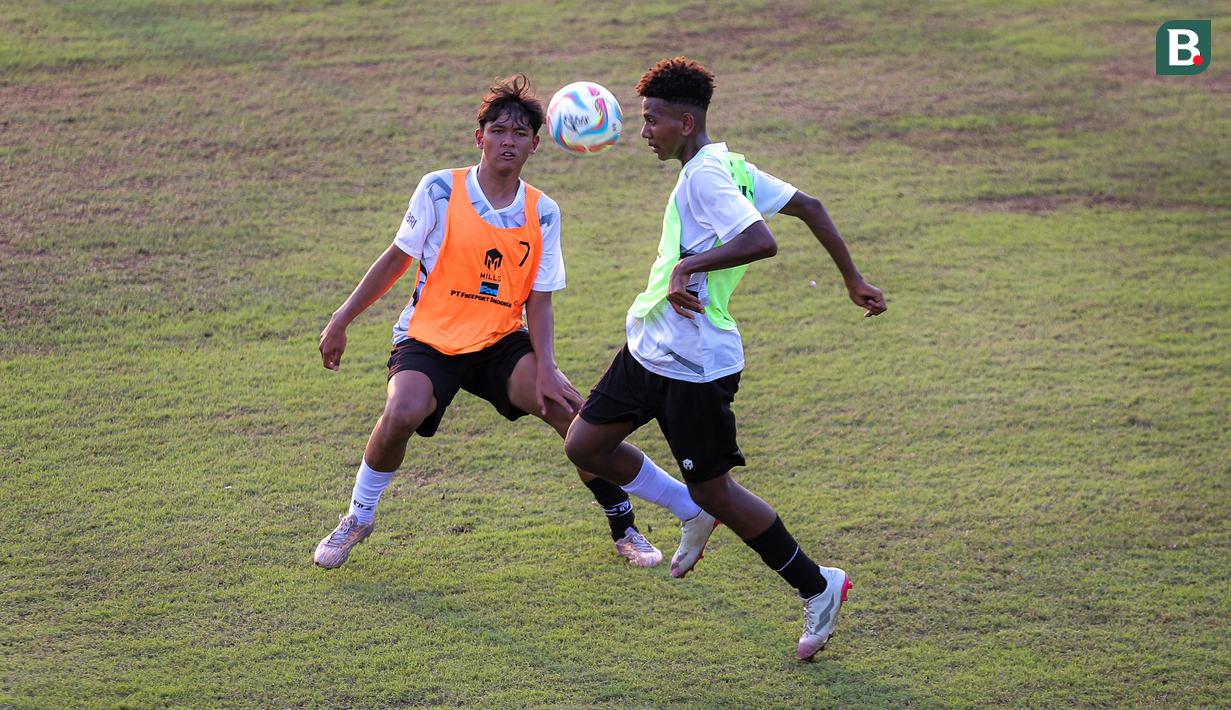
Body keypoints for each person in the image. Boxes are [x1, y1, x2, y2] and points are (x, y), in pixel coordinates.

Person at [564, 57, 887, 660]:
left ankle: (818, 586)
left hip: (696, 365)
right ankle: (690, 511)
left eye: (652, 120)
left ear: (684, 122)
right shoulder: (725, 165)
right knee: (584, 445)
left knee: (719, 492)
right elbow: (810, 205)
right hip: (651, 347)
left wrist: (688, 266)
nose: (644, 131)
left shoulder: (706, 177)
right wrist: (853, 279)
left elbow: (763, 239)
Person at [313, 74, 681, 571]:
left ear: (535, 144)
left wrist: (547, 367)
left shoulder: (543, 212)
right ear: (479, 136)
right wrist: (342, 318)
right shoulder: (440, 189)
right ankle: (359, 516)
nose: (508, 141)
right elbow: (397, 259)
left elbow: (540, 299)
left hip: (499, 341)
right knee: (403, 412)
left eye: (520, 133)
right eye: (499, 130)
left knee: (570, 415)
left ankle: (625, 526)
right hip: (430, 337)